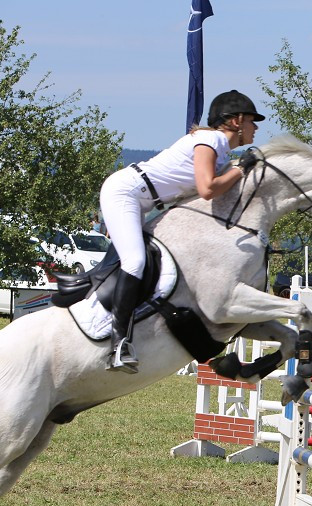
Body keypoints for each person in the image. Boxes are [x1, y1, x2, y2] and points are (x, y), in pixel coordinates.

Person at [98, 90, 264, 372]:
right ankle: (118, 344)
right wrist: (241, 168)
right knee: (135, 262)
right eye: (251, 120)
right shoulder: (209, 140)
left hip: (143, 199)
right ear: (236, 121)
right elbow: (208, 189)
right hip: (127, 193)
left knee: (153, 267)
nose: (256, 127)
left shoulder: (219, 151)